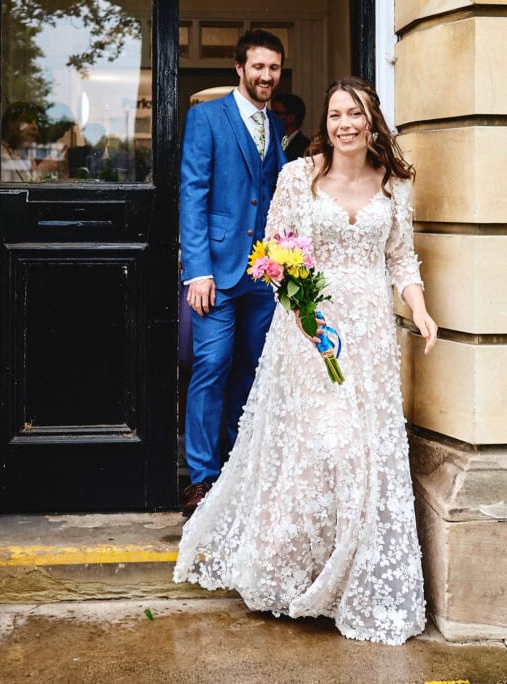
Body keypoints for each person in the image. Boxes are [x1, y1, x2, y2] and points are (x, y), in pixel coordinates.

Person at [174, 76, 439, 646]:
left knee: (360, 450)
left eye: (356, 114)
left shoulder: (393, 186)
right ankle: (292, 571)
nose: (345, 123)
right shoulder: (299, 177)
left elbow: (401, 258)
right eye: (336, 113)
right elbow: (276, 251)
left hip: (368, 338)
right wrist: (304, 309)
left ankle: (348, 579)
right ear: (327, 122)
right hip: (309, 331)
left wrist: (420, 310)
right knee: (314, 447)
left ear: (373, 123)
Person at [178, 29, 288, 516]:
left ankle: (240, 467)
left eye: (274, 68)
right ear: (239, 70)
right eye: (258, 67)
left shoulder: (277, 124)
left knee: (252, 372)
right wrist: (196, 269)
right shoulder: (207, 118)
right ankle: (202, 477)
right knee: (211, 368)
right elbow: (193, 193)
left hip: (264, 276)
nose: (267, 76)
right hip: (216, 274)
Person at [270, 92, 310, 161]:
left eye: (276, 113)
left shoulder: (306, 148)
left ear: (291, 118)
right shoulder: (274, 143)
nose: (270, 117)